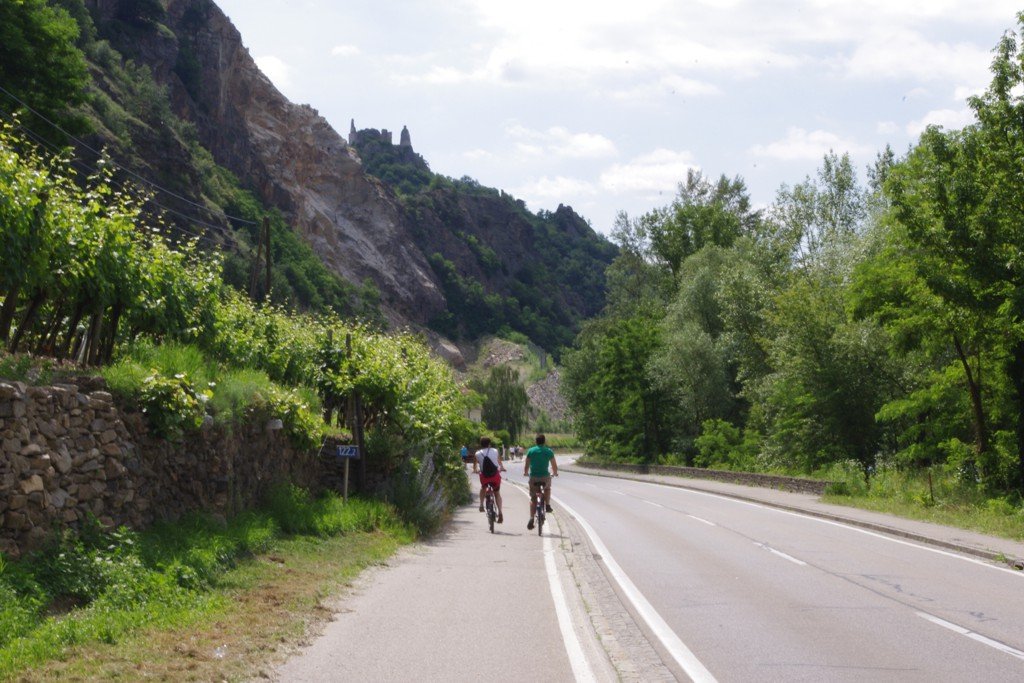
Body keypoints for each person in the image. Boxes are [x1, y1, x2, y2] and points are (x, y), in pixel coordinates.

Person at [524, 433, 557, 530]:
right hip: (545, 477)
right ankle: (547, 505)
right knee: (547, 488)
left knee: (533, 498)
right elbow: (554, 466)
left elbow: (527, 464)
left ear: (536, 441)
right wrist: (554, 473)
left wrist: (526, 472)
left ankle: (531, 517)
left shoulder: (531, 451)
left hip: (533, 477)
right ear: (544, 441)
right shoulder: (549, 451)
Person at [476, 436, 505, 523]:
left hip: (484, 477)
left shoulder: (477, 453)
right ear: (489, 444)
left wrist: (475, 470)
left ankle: (481, 505)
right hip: (495, 476)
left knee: (483, 488)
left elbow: (476, 466)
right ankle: (500, 512)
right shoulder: (495, 451)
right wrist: (502, 467)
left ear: (480, 444)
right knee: (497, 493)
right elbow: (499, 461)